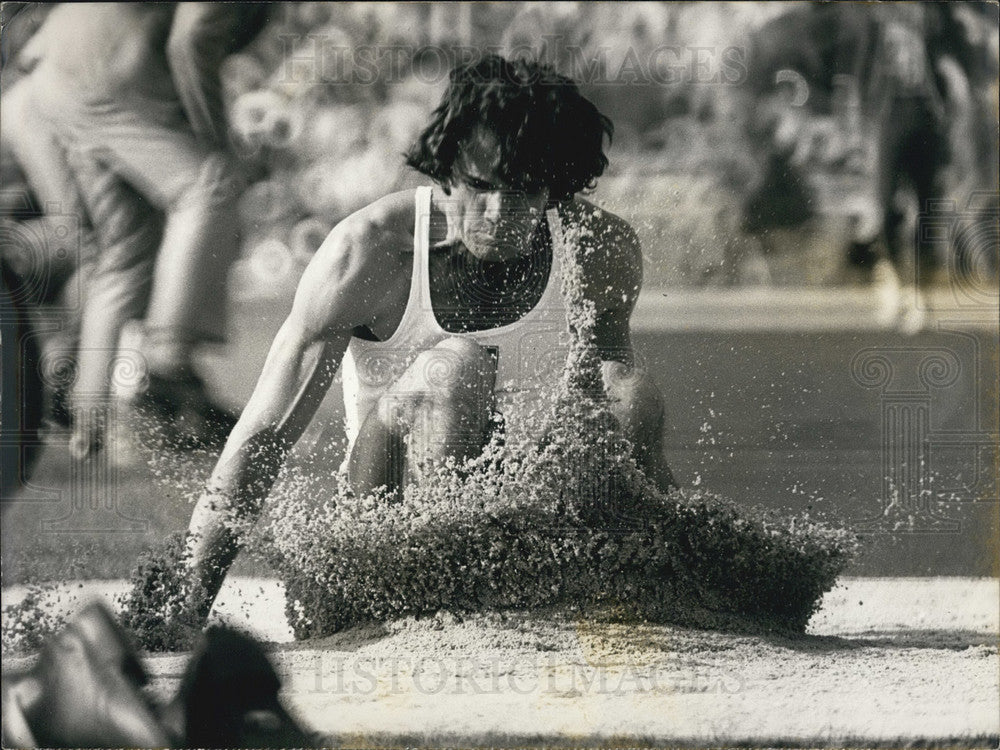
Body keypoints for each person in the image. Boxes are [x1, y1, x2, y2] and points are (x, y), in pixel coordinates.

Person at [181, 55, 675, 619]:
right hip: (379, 544)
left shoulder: (600, 251)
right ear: (446, 169)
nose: (497, 213)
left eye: (523, 192)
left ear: (556, 189)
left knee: (630, 395)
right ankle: (437, 611)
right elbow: (262, 438)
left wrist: (694, 547)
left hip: (524, 532)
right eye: (480, 187)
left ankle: (639, 589)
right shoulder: (368, 251)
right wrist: (184, 606)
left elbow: (622, 444)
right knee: (456, 371)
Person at [8, 3, 269, 457]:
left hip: (62, 74)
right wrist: (215, 139)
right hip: (97, 71)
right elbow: (191, 38)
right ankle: (166, 368)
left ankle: (87, 420)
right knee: (209, 186)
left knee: (126, 253)